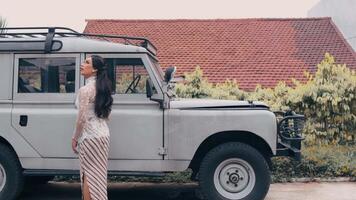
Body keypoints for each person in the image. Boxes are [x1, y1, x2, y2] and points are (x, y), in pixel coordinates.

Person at [71, 55, 113, 200]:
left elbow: (81, 119)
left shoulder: (85, 90)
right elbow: (107, 116)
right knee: (99, 175)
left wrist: (74, 138)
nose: (82, 64)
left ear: (94, 69)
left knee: (88, 174)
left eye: (86, 62)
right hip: (104, 135)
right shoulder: (104, 87)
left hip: (89, 138)